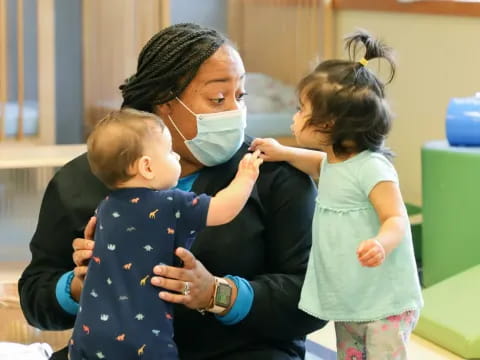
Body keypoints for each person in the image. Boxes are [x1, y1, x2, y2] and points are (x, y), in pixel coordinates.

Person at [18, 23, 326, 360]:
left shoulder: (272, 175)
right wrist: (80, 284)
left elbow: (315, 298)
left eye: (240, 97)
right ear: (164, 101)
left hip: (243, 350)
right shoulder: (82, 179)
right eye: (218, 99)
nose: (235, 113)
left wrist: (219, 295)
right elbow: (36, 299)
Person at [250, 30, 423, 359]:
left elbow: (396, 217)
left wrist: (380, 243)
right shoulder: (334, 161)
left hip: (385, 300)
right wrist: (282, 152)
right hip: (352, 295)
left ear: (328, 124)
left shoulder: (372, 167)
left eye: (301, 110)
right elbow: (319, 165)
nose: (295, 116)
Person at [69, 109, 262, 360]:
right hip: (145, 342)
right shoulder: (171, 203)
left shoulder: (105, 206)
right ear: (147, 167)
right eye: (171, 151)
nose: (177, 158)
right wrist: (246, 176)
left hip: (87, 336)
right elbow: (223, 209)